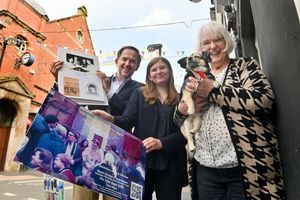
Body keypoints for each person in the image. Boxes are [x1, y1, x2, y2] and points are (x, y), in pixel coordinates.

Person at [173, 21, 286, 199]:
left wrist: (213, 91)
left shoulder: (244, 66)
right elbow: (179, 118)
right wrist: (180, 111)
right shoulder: (194, 76)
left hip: (245, 166)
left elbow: (263, 99)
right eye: (206, 43)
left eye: (218, 40)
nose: (212, 46)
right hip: (206, 167)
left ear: (227, 42)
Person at [49, 45, 143, 200]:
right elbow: (73, 99)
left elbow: (131, 117)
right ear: (116, 61)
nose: (127, 63)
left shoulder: (140, 89)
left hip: (117, 152)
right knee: (83, 195)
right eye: (124, 59)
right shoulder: (95, 78)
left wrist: (109, 92)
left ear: (137, 66)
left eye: (132, 61)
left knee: (113, 196)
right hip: (89, 142)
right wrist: (59, 79)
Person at [92, 57, 188, 200]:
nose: (158, 71)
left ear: (170, 71)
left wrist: (162, 143)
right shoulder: (139, 94)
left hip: (171, 164)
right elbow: (127, 121)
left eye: (162, 68)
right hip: (140, 163)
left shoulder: (182, 99)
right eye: (154, 69)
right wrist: (111, 119)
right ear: (149, 76)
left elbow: (186, 132)